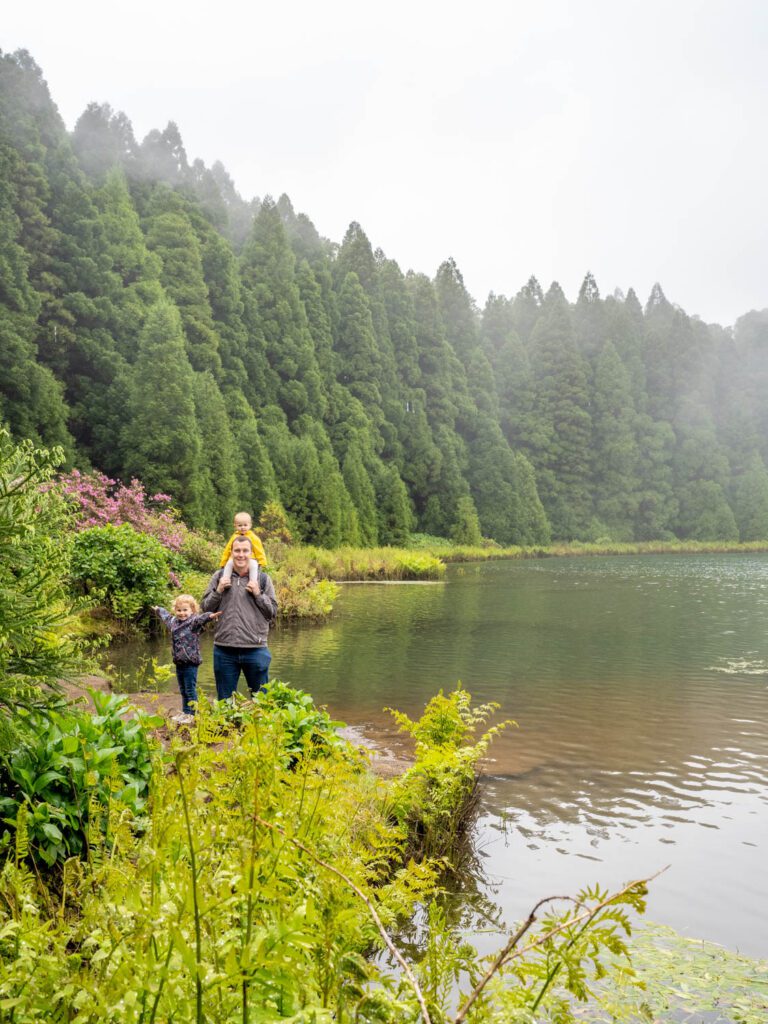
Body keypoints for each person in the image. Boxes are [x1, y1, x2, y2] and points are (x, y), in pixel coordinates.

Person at [201, 536, 278, 701]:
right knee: (225, 703)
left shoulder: (263, 579)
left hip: (256, 649)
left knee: (262, 704)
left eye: (245, 551)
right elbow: (206, 608)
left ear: (251, 553)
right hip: (224, 650)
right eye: (237, 550)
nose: (241, 554)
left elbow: (271, 613)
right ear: (231, 552)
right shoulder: (219, 576)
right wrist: (219, 590)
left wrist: (258, 593)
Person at [152, 595, 221, 722]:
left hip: (190, 662)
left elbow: (201, 619)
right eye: (179, 610)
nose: (182, 613)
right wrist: (158, 609)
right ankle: (185, 712)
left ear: (192, 610)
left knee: (190, 689)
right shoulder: (173, 622)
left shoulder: (193, 622)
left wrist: (210, 616)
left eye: (185, 610)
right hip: (179, 662)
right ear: (175, 610)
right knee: (183, 689)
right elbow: (166, 616)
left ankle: (192, 715)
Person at [220, 511, 267, 586]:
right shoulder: (234, 537)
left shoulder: (253, 537)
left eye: (245, 525)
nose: (242, 527)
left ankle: (252, 583)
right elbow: (228, 550)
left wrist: (261, 561)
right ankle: (226, 581)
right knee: (228, 564)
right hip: (234, 559)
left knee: (254, 566)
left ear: (250, 525)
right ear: (235, 526)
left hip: (250, 559)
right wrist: (223, 562)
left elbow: (259, 550)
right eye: (240, 525)